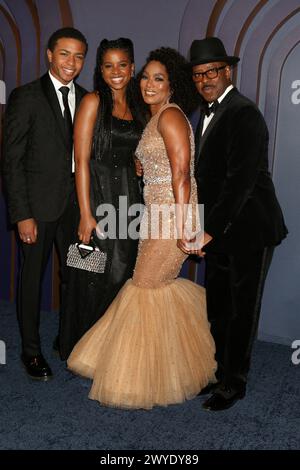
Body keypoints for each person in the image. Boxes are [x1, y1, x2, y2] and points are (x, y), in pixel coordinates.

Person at [67, 47, 217, 410]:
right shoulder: (153, 117)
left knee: (144, 288)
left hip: (170, 219)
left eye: (158, 78)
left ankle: (142, 378)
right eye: (146, 77)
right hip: (152, 216)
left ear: (173, 85)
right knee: (152, 290)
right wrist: (142, 167)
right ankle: (170, 366)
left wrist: (185, 227)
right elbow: (157, 162)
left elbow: (183, 174)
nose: (149, 84)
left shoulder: (170, 117)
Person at [187, 37, 288, 411]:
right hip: (220, 229)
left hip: (251, 229)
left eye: (211, 71)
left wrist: (208, 230)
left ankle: (234, 383)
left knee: (241, 311)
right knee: (218, 307)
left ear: (226, 71)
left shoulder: (244, 113)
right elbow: (209, 180)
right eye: (198, 74)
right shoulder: (207, 113)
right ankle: (217, 373)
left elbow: (240, 181)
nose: (205, 79)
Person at [2, 27, 88, 380]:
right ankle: (31, 352)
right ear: (50, 55)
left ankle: (66, 342)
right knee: (32, 280)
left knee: (75, 276)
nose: (72, 62)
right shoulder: (27, 96)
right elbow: (12, 159)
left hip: (76, 207)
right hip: (37, 208)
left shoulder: (87, 99)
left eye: (79, 56)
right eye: (65, 54)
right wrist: (22, 215)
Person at [59, 38, 145, 360]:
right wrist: (85, 213)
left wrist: (138, 167)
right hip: (97, 198)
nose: (116, 72)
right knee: (93, 275)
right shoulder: (93, 102)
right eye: (108, 66)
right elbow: (80, 161)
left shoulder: (139, 107)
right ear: (100, 70)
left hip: (129, 202)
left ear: (132, 67)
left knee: (123, 274)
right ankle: (83, 352)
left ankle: (113, 354)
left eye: (122, 64)